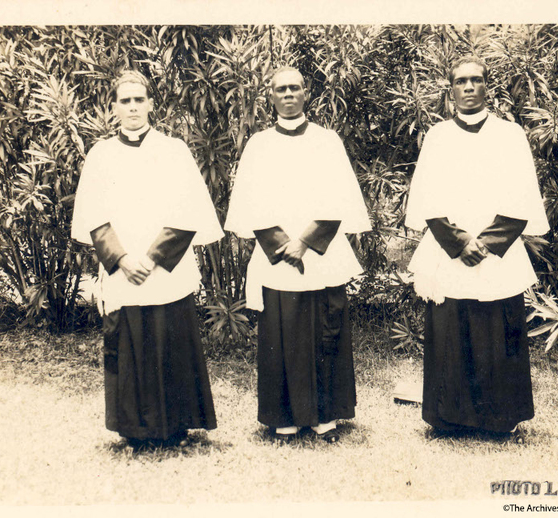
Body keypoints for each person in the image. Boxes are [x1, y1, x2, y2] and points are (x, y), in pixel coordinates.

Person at [71, 70, 223, 449]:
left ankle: (178, 425)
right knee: (130, 342)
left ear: (151, 104)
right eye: (125, 101)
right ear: (113, 108)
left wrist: (153, 258)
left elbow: (190, 211)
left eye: (140, 99)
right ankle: (134, 430)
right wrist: (122, 259)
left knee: (171, 338)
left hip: (166, 266)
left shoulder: (174, 150)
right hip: (123, 269)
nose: (133, 107)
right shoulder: (100, 155)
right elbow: (93, 216)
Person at [404, 56, 550, 441]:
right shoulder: (437, 136)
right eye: (460, 82)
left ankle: (499, 418)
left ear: (488, 87)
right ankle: (449, 418)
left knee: (496, 330)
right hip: (448, 249)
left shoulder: (510, 134)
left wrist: (483, 244)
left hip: (496, 251)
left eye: (476, 80)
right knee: (451, 329)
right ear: (450, 90)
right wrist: (457, 243)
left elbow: (523, 198)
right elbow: (426, 199)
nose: (468, 87)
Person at [224, 66, 371, 444]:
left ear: (307, 93)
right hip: (276, 255)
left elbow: (340, 199)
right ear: (270, 97)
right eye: (280, 89)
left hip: (321, 251)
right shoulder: (258, 144)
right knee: (281, 330)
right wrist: (281, 244)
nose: (288, 94)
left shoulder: (327, 141)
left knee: (325, 329)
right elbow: (249, 204)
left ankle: (325, 417)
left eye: (295, 88)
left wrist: (305, 241)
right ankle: (284, 417)